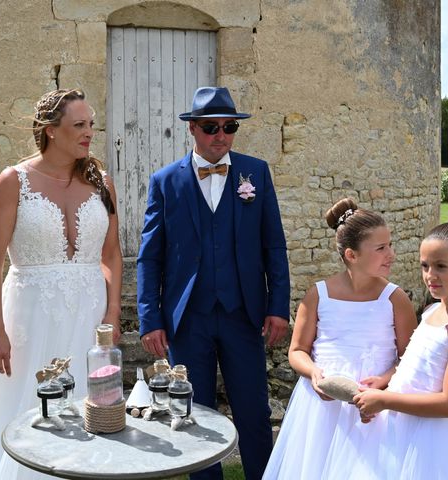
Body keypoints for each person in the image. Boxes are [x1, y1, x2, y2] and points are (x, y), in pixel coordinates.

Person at [0, 89, 122, 480]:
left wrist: (111, 314)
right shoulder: (14, 181)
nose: (89, 132)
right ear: (50, 130)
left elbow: (111, 255)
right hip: (29, 318)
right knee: (22, 408)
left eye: (91, 124)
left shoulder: (101, 182)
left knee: (88, 409)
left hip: (89, 317)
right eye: (79, 125)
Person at [137, 86, 291, 479]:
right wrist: (149, 318)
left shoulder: (254, 172)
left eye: (229, 127)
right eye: (211, 127)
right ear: (193, 130)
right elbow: (150, 257)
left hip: (243, 314)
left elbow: (274, 245)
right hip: (188, 319)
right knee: (193, 413)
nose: (221, 135)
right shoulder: (165, 181)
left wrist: (277, 307)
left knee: (254, 411)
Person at [262, 198, 418, 480]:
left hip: (373, 405)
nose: (391, 254)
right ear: (352, 255)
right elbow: (297, 350)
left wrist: (384, 379)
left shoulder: (395, 298)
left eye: (390, 244)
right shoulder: (318, 295)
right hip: (322, 406)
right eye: (381, 248)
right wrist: (314, 373)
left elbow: (409, 357)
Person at [346, 212, 448, 479]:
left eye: (441, 266)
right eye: (424, 266)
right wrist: (385, 380)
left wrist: (385, 400)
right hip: (400, 424)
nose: (430, 275)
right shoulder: (431, 311)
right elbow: (416, 364)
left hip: (434, 439)